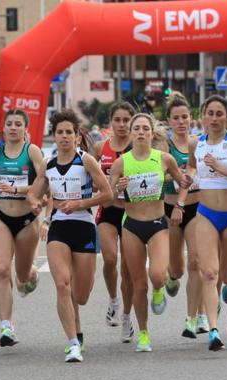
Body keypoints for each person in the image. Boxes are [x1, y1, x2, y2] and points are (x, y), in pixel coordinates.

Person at [27, 109, 113, 362]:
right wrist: (35, 202)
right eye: (59, 132)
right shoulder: (48, 164)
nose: (64, 136)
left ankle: (76, 324)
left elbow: (107, 195)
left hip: (84, 224)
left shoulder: (86, 161)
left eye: (69, 132)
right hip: (59, 227)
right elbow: (34, 192)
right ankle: (73, 342)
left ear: (77, 137)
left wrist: (79, 203)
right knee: (62, 284)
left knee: (81, 295)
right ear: (54, 136)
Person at [177, 95, 227, 351]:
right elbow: (190, 168)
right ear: (202, 116)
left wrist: (221, 169)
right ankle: (213, 330)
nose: (214, 118)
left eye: (219, 113)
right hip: (206, 213)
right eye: (209, 113)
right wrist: (187, 179)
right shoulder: (195, 144)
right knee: (208, 272)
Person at [108, 113, 190, 353]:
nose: (141, 132)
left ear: (152, 133)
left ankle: (159, 290)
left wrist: (179, 206)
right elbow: (107, 196)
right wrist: (117, 189)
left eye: (145, 128)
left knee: (156, 275)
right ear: (131, 133)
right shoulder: (121, 163)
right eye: (137, 128)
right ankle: (143, 333)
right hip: (131, 224)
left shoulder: (164, 159)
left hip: (156, 224)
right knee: (138, 284)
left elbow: (183, 183)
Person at [0, 109, 45, 348]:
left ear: (25, 128)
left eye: (18, 124)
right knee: (3, 269)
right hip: (1, 216)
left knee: (23, 276)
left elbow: (42, 180)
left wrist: (19, 190)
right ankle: (6, 326)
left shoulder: (32, 151)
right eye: (9, 124)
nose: (13, 128)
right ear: (3, 128)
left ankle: (31, 274)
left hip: (27, 219)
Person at [161, 96, 208, 338]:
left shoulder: (199, 143)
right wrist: (175, 175)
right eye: (176, 118)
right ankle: (171, 276)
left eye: (185, 117)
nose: (181, 122)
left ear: (192, 118)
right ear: (168, 120)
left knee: (197, 262)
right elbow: (157, 175)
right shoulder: (164, 147)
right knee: (178, 269)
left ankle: (196, 315)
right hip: (169, 210)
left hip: (196, 207)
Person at [90, 102, 135, 341]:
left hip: (130, 212)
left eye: (126, 120)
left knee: (128, 269)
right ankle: (113, 300)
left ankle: (127, 317)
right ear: (110, 122)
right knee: (109, 258)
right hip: (107, 210)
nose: (122, 124)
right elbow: (88, 173)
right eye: (117, 119)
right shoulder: (100, 147)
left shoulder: (138, 147)